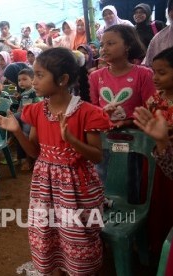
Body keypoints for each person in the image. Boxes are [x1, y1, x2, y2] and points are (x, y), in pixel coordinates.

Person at [0, 47, 111, 275]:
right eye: (33, 74)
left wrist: (71, 140)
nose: (33, 81)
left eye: (39, 75)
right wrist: (17, 132)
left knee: (77, 234)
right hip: (44, 186)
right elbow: (35, 153)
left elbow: (96, 156)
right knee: (47, 231)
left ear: (63, 79)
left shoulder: (88, 112)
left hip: (77, 188)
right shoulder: (36, 111)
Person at [90, 24, 156, 204]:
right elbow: (95, 109)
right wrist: (103, 116)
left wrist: (128, 122)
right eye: (102, 44)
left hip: (133, 142)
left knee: (130, 182)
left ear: (127, 45)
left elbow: (151, 111)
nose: (104, 48)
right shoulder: (96, 77)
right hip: (104, 139)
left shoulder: (144, 74)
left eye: (110, 43)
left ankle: (130, 219)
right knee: (101, 178)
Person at [134, 46, 173, 258]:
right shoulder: (155, 100)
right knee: (157, 203)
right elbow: (146, 126)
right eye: (154, 71)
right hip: (157, 161)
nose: (155, 78)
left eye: (162, 72)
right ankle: (158, 247)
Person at [143, 0, 173, 67]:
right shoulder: (159, 38)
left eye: (142, 12)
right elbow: (149, 64)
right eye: (172, 9)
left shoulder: (157, 25)